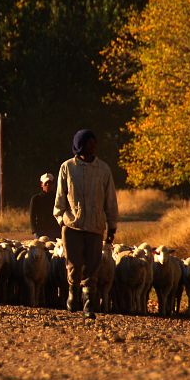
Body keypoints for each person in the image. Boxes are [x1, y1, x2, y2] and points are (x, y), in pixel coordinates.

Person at [53, 129, 118, 318]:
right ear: (80, 145)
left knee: (93, 265)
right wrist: (61, 219)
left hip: (95, 226)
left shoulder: (103, 169)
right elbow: (60, 197)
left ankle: (89, 304)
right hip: (72, 225)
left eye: (94, 143)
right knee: (73, 264)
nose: (93, 147)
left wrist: (111, 226)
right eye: (89, 143)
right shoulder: (67, 168)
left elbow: (110, 200)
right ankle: (73, 293)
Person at [29, 172, 59, 239]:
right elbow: (32, 216)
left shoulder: (57, 198)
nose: (48, 185)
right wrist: (35, 232)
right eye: (46, 183)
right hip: (41, 232)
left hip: (56, 232)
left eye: (50, 183)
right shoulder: (36, 198)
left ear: (53, 184)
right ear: (41, 184)